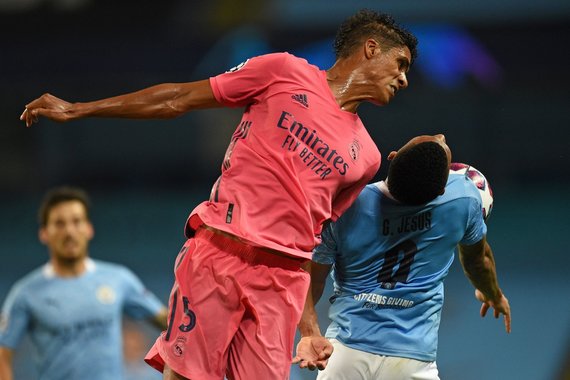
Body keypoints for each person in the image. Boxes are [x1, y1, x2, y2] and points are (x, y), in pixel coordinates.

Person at [19, 9, 418, 380]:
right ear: (370, 49)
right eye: (400, 64)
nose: (403, 79)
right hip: (219, 255)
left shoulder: (365, 157)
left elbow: (315, 244)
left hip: (281, 287)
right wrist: (79, 110)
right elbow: (178, 98)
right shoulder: (282, 71)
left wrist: (309, 330)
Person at [295, 134, 512, 379]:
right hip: (412, 360)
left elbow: (309, 279)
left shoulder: (346, 206)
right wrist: (492, 293)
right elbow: (478, 261)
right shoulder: (463, 199)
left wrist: (309, 332)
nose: (441, 135)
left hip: (347, 352)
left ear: (393, 156)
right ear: (441, 189)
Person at [0, 187, 168, 380]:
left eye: (77, 221)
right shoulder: (26, 293)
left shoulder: (119, 279)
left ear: (89, 228)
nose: (69, 231)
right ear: (44, 233)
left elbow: (167, 322)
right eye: (59, 223)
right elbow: (2, 354)